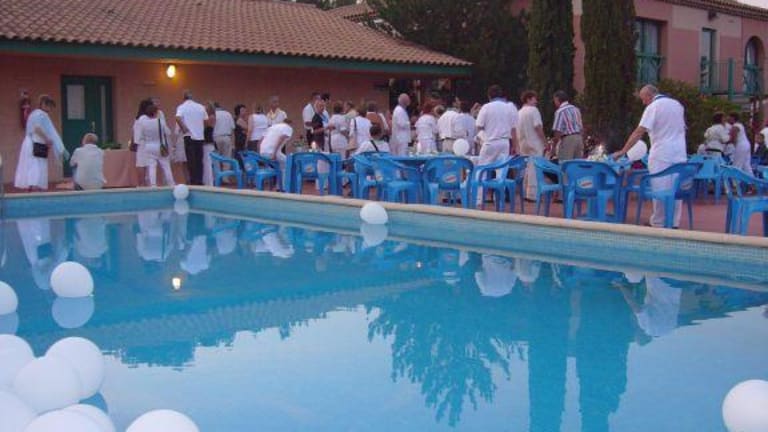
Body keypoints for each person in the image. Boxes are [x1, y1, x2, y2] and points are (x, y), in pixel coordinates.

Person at [614, 85, 687, 228]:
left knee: (659, 187)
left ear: (649, 95)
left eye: (643, 99)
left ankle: (658, 222)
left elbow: (639, 131)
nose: (643, 103)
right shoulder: (677, 105)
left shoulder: (654, 107)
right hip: (679, 152)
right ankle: (674, 222)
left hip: (662, 153)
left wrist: (623, 150)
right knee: (675, 188)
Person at [14, 95, 69, 191]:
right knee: (37, 165)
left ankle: (31, 187)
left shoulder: (34, 113)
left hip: (30, 142)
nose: (50, 108)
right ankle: (35, 187)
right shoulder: (42, 114)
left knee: (31, 165)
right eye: (49, 105)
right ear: (43, 104)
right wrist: (47, 139)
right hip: (36, 142)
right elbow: (37, 128)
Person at [517, 90, 548, 200]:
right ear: (528, 99)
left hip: (523, 143)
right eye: (534, 99)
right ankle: (532, 194)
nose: (536, 101)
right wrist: (545, 142)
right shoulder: (534, 110)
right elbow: (537, 127)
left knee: (526, 167)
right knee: (534, 167)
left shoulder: (519, 112)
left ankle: (525, 191)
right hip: (534, 142)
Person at [138, 103, 175, 187]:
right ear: (155, 112)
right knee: (166, 165)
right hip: (160, 146)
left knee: (152, 166)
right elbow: (168, 132)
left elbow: (141, 136)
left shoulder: (144, 123)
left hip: (148, 146)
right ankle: (171, 183)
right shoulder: (160, 122)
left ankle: (153, 185)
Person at [175, 90, 207, 185]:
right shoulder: (201, 107)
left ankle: (193, 180)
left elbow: (177, 117)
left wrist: (184, 128)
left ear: (184, 98)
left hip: (189, 136)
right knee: (199, 160)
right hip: (200, 136)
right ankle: (199, 180)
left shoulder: (182, 107)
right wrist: (201, 128)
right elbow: (206, 120)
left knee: (191, 160)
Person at [551, 90, 584, 162]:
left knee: (565, 163)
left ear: (557, 99)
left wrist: (554, 146)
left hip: (568, 139)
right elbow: (581, 127)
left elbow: (557, 131)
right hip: (578, 137)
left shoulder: (560, 111)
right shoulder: (576, 109)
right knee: (577, 163)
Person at [132, 98, 154, 187]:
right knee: (150, 164)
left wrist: (135, 143)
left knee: (141, 164)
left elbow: (137, 134)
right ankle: (150, 183)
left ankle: (141, 184)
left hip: (142, 144)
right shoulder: (152, 119)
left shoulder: (139, 120)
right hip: (151, 143)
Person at [202, 103, 217, 186]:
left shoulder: (211, 117)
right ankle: (206, 181)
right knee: (205, 163)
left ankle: (209, 183)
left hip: (208, 142)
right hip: (206, 142)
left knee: (207, 163)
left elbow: (205, 125)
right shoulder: (209, 117)